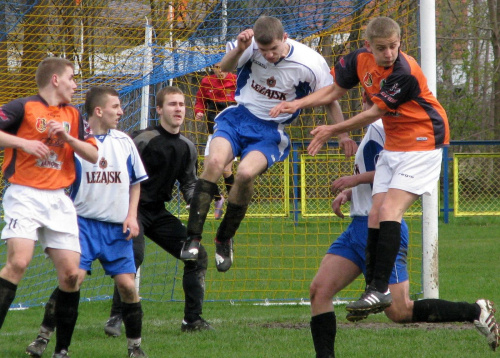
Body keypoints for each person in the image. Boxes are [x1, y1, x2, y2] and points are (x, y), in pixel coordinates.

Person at [271, 16, 450, 316]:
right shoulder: (358, 61)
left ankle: (378, 289)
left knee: (390, 210)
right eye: (382, 48)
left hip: (424, 140)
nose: (389, 53)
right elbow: (332, 92)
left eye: (394, 46)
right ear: (368, 46)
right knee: (375, 214)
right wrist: (297, 105)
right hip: (397, 144)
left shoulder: (403, 71)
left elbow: (373, 113)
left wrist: (331, 131)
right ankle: (375, 289)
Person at [309, 94, 499, 358]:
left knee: (400, 311)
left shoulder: (381, 128)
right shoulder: (373, 130)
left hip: (380, 229)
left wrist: (352, 180)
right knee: (319, 290)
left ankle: (476, 312)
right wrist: (351, 193)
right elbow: (381, 177)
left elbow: (392, 172)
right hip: (357, 227)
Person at [180, 15, 357, 273]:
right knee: (215, 162)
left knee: (244, 174)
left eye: (273, 49)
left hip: (270, 131)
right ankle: (193, 238)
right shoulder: (249, 46)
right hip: (238, 118)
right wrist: (241, 49)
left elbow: (330, 97)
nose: (269, 55)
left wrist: (342, 135)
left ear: (285, 38)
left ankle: (224, 237)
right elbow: (225, 67)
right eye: (264, 51)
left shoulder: (309, 62)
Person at [25, 86, 149, 358]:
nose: (121, 111)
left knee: (128, 286)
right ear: (98, 111)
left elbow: (135, 183)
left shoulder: (124, 142)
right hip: (81, 225)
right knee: (72, 278)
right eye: (116, 106)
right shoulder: (75, 144)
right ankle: (44, 337)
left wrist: (131, 215)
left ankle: (135, 347)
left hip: (117, 229)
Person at [0, 57, 98, 358]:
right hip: (25, 194)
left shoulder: (74, 114)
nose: (76, 84)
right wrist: (23, 143)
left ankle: (61, 351)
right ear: (55, 79)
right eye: (72, 77)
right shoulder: (23, 107)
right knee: (18, 262)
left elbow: (94, 154)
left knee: (71, 275)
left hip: (58, 198)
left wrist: (67, 136)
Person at [103, 85, 212, 335]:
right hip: (132, 209)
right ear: (159, 109)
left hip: (158, 212)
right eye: (172, 104)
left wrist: (196, 200)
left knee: (197, 255)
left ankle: (192, 321)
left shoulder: (188, 146)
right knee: (134, 256)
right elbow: (119, 171)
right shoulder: (142, 139)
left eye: (182, 104)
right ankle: (115, 318)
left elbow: (188, 182)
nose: (179, 109)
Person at [194, 62, 237, 219]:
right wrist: (199, 112)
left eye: (223, 67)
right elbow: (200, 100)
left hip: (231, 134)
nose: (221, 71)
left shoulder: (236, 81)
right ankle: (218, 198)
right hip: (213, 133)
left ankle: (234, 204)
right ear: (212, 68)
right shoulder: (207, 82)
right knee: (207, 171)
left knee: (226, 170)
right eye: (217, 67)